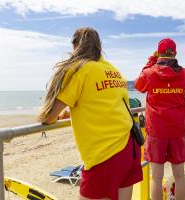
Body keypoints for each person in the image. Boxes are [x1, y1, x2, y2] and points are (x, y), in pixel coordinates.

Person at [38, 27, 142, 200]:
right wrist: (72, 113)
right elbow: (102, 103)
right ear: (99, 46)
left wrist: (55, 114)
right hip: (130, 147)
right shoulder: (112, 70)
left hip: (107, 153)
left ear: (75, 45)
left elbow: (48, 117)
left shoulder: (80, 69)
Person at [135, 38, 185, 200]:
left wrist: (151, 61)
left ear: (158, 53)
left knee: (157, 177)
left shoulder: (149, 73)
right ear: (175, 53)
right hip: (177, 129)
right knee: (180, 176)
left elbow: (139, 86)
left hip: (156, 130)